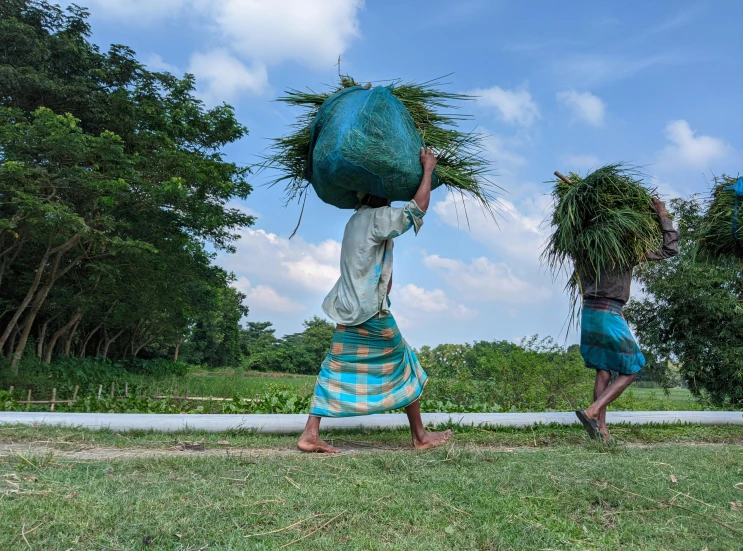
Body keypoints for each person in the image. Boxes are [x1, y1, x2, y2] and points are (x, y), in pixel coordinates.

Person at [297, 147, 452, 453]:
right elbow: (415, 211)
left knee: (335, 367)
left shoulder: (355, 221)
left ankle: (310, 433)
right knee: (404, 363)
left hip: (348, 309)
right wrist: (429, 169)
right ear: (379, 193)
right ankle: (420, 437)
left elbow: (376, 269)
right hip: (369, 312)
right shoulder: (376, 218)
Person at [575, 198, 679, 441]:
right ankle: (591, 412)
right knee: (633, 368)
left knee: (603, 371)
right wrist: (662, 214)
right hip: (608, 312)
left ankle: (602, 432)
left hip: (589, 312)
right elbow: (670, 249)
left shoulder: (584, 247)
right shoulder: (623, 252)